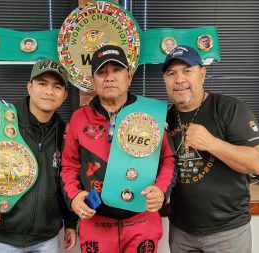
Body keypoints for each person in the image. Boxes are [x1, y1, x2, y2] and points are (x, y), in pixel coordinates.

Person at [0, 59, 77, 253]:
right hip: (1, 239)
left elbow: (67, 178)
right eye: (42, 83)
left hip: (47, 242)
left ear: (64, 94)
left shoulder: (65, 133)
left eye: (57, 86)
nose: (49, 91)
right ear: (30, 87)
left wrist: (70, 223)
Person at [60, 45, 176, 253]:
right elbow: (69, 166)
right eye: (102, 72)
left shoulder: (150, 113)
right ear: (93, 81)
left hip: (141, 220)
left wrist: (161, 190)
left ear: (129, 76)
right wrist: (74, 196)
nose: (109, 77)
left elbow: (168, 158)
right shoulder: (79, 118)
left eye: (116, 70)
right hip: (96, 222)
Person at [162, 45, 259, 253]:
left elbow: (258, 163)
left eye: (187, 70)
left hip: (227, 232)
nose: (179, 79)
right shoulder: (163, 118)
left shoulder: (228, 108)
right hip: (181, 230)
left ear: (202, 74)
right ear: (165, 80)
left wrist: (211, 143)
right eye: (171, 73)